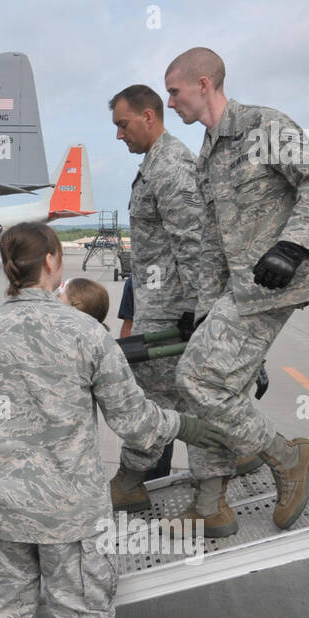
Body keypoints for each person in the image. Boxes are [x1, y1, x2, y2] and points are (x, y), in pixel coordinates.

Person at [0, 223, 221, 618]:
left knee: (2, 610)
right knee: (85, 613)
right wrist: (184, 426)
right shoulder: (86, 332)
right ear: (51, 263)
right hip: (72, 513)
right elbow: (134, 421)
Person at [164, 47, 309, 537]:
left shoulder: (264, 125)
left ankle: (289, 459)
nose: (171, 102)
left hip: (272, 285)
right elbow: (212, 242)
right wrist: (202, 311)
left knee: (198, 380)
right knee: (209, 388)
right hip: (235, 291)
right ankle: (211, 504)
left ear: (203, 84)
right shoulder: (207, 153)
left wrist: (294, 245)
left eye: (174, 91)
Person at [106, 84, 204, 512]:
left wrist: (197, 313)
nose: (118, 134)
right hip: (158, 307)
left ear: (149, 116)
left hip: (172, 315)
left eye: (122, 124)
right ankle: (148, 485)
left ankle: (139, 484)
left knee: (160, 406)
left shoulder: (171, 167)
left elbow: (194, 244)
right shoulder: (154, 164)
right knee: (169, 405)